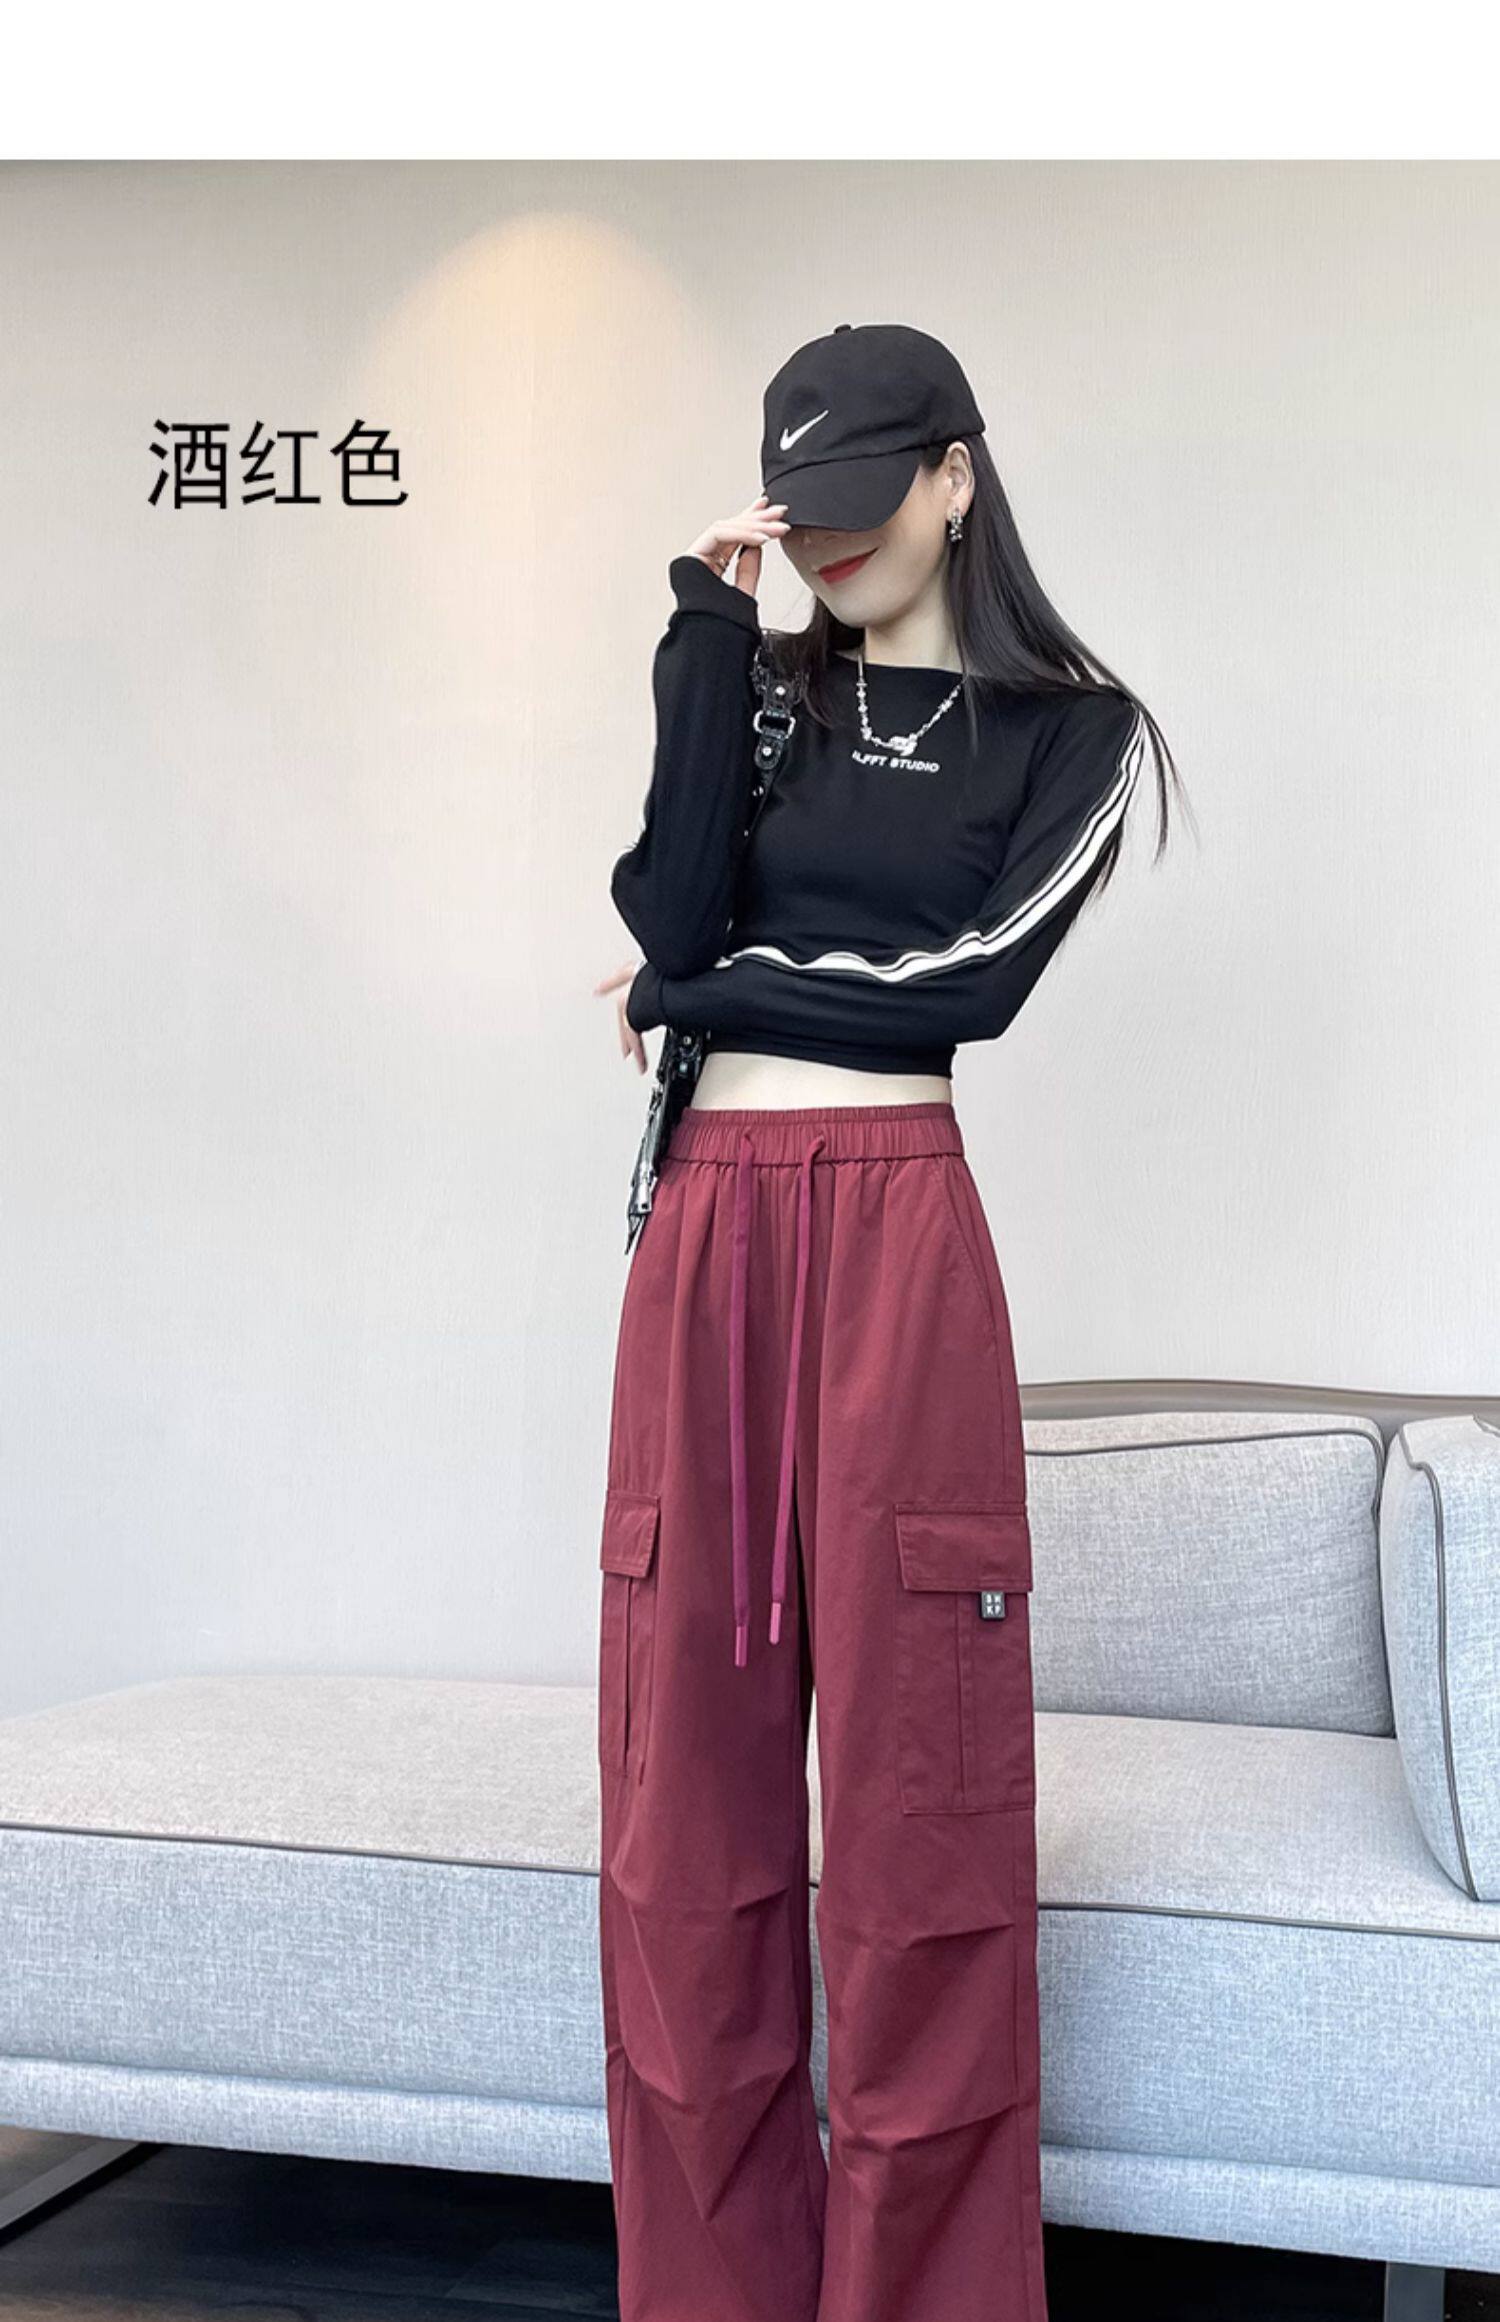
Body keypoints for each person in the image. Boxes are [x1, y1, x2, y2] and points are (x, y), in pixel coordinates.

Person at [592, 322, 1183, 2322]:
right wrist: (702, 645)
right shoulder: (764, 694)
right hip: (707, 1236)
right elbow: (674, 912)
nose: (828, 547)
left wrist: (692, 999)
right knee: (684, 1821)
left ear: (954, 476)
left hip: (897, 1236)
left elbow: (967, 984)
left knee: (924, 1823)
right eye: (801, 514)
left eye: (864, 504)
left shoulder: (1074, 737)